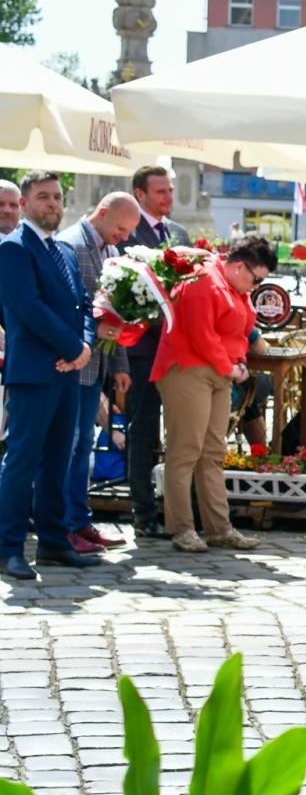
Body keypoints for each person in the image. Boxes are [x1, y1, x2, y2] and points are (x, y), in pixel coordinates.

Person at [0, 170, 102, 580]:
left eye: (58, 197)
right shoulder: (13, 248)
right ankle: (8, 548)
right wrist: (72, 347)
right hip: (33, 373)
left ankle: (54, 542)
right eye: (43, 197)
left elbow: (84, 305)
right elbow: (28, 307)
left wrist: (85, 347)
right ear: (24, 204)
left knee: (59, 459)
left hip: (67, 372)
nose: (53, 204)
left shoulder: (60, 250)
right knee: (22, 461)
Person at [152, 238, 274, 553]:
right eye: (256, 279)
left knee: (213, 452)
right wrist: (230, 367)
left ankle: (219, 529)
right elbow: (200, 334)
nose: (256, 286)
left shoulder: (233, 286)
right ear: (238, 266)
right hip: (188, 370)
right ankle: (183, 529)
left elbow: (239, 332)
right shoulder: (204, 281)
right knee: (185, 451)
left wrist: (239, 364)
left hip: (219, 372)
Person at [58, 192, 141, 555]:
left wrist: (120, 365)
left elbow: (114, 314)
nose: (125, 236)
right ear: (103, 213)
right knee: (67, 448)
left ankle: (79, 521)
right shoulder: (70, 245)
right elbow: (65, 309)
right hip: (71, 365)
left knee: (81, 449)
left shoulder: (110, 251)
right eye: (121, 228)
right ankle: (63, 525)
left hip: (97, 368)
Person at [119, 164, 191, 541]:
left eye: (170, 191)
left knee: (180, 432)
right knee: (143, 430)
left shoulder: (178, 233)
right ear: (140, 193)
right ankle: (143, 512)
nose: (168, 198)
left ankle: (177, 509)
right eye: (160, 192)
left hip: (178, 349)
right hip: (142, 349)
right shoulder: (126, 234)